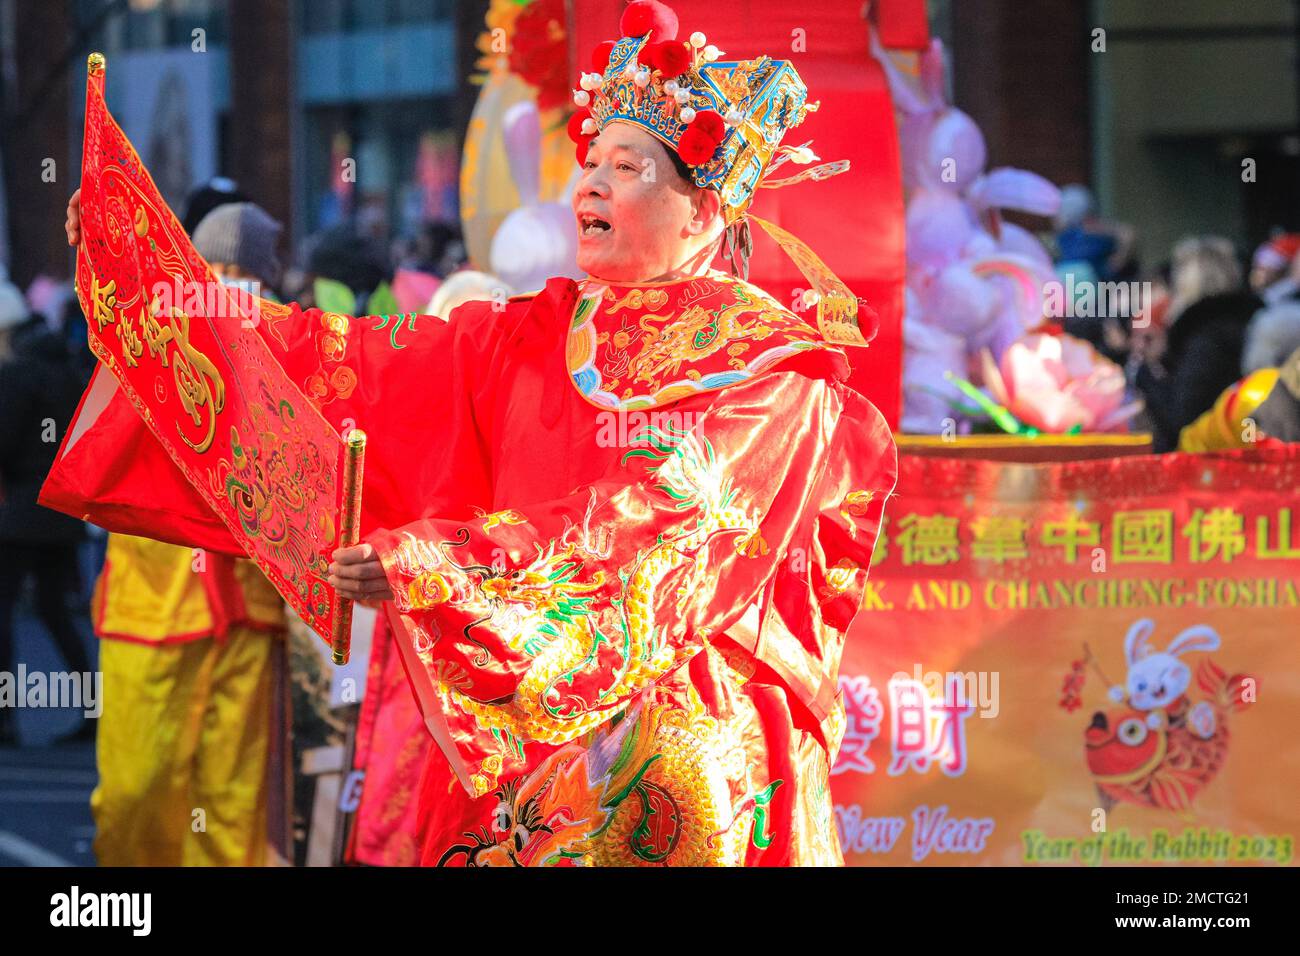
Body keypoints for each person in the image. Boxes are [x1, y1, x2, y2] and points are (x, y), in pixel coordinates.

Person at [60, 0, 895, 866]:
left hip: (686, 756)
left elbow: (667, 527)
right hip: (516, 738)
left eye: (630, 167)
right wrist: (157, 286)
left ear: (703, 209)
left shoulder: (772, 369)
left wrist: (441, 565)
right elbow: (350, 365)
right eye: (592, 161)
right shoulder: (534, 334)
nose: (591, 185)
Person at [87, 201, 289, 865]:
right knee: (136, 795)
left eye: (243, 273)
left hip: (249, 608)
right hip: (154, 609)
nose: (229, 283)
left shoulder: (285, 348)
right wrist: (93, 241)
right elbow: (107, 304)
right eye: (216, 269)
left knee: (230, 812)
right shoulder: (151, 334)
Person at [0, 272, 92, 746]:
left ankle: (5, 718)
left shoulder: (15, 375)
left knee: (4, 611)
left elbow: (5, 443)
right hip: (62, 510)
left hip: (19, 513)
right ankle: (93, 709)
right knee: (57, 611)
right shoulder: (68, 371)